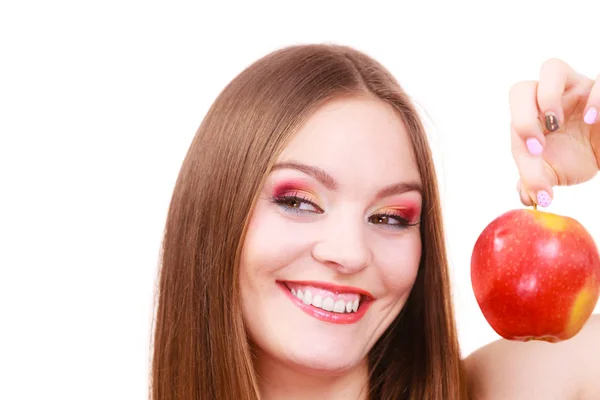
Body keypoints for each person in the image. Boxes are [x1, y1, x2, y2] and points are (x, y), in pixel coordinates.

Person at [149, 44, 600, 399]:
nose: (348, 253)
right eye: (299, 202)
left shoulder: (515, 388)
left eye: (388, 217)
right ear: (215, 214)